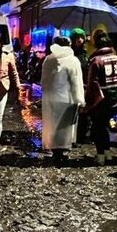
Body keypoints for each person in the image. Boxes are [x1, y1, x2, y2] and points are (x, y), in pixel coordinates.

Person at [40, 36, 84, 166]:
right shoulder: (73, 60)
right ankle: (62, 153)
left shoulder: (48, 59)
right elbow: (76, 82)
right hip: (67, 99)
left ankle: (55, 152)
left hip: (50, 98)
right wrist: (80, 100)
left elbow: (43, 81)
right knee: (64, 128)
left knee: (52, 126)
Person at [85, 34, 117, 166]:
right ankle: (108, 153)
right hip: (116, 98)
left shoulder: (96, 61)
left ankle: (100, 155)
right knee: (106, 126)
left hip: (101, 99)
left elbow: (92, 82)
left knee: (98, 127)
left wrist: (88, 100)